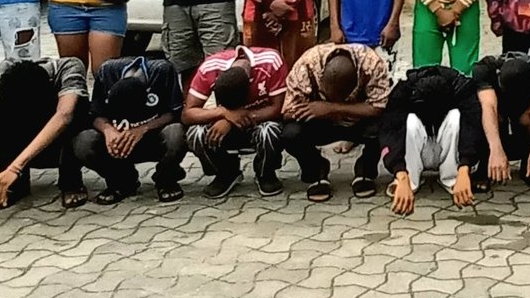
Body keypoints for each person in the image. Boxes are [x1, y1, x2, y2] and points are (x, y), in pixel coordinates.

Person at [0, 58, 89, 210]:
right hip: (23, 129)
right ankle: (16, 184)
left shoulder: (70, 66)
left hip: (56, 127)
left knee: (77, 110)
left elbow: (64, 115)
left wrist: (15, 168)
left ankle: (70, 180)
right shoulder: (6, 69)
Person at [281, 43, 392, 202]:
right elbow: (287, 112)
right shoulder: (306, 65)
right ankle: (316, 169)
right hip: (320, 122)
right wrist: (316, 110)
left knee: (386, 125)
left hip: (357, 120)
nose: (334, 99)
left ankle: (365, 170)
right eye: (329, 94)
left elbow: (379, 106)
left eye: (342, 95)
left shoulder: (372, 64)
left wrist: (333, 108)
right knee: (290, 133)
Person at [75, 56, 189, 205]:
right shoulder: (106, 71)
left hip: (152, 136)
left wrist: (143, 128)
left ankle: (166, 179)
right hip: (118, 140)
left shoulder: (162, 70)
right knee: (84, 142)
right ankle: (121, 181)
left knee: (176, 133)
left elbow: (174, 114)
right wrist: (108, 130)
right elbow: (96, 115)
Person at [184, 45, 289, 199]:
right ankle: (226, 172)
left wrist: (234, 120)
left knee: (269, 131)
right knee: (196, 134)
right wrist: (224, 113)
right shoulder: (210, 67)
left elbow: (278, 108)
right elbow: (187, 114)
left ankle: (265, 173)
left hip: (259, 119)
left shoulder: (271, 61)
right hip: (222, 123)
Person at [383, 65, 485, 215]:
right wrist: (400, 173)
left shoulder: (461, 88)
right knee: (410, 121)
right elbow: (389, 134)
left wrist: (465, 168)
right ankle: (409, 181)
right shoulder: (403, 91)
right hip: (419, 148)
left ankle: (452, 178)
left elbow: (473, 128)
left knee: (456, 117)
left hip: (448, 147)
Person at [471, 52, 530, 190]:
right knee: (482, 112)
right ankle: (486, 165)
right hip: (498, 108)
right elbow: (489, 106)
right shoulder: (485, 68)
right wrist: (495, 149)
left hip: (524, 108)